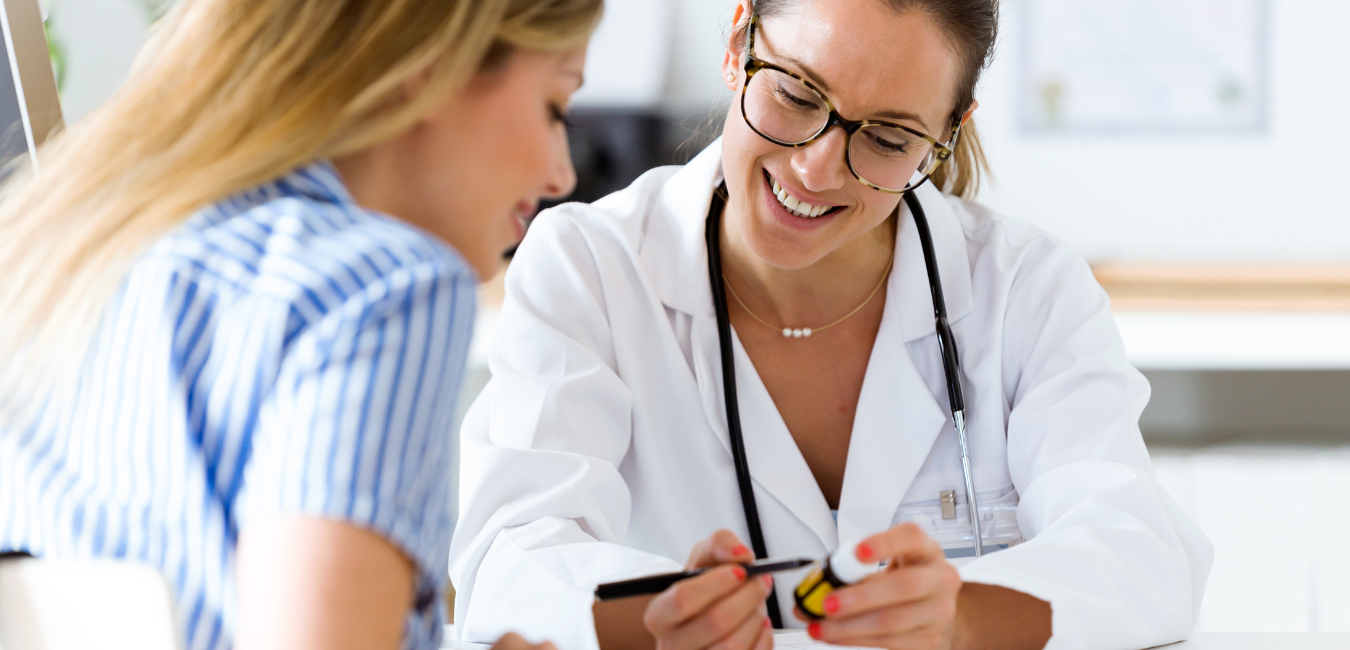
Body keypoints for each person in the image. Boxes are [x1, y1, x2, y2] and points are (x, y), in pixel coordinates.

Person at [448, 0, 1213, 649]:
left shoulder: (1023, 287)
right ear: (739, 39)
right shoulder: (590, 267)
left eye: (887, 138)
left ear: (947, 129)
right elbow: (509, 566)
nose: (817, 168)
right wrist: (654, 620)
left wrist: (959, 619)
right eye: (796, 93)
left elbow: (1142, 554)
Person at [0, 0, 600, 649]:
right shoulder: (387, 289)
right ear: (429, 67)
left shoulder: (67, 254)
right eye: (554, 108)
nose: (561, 174)